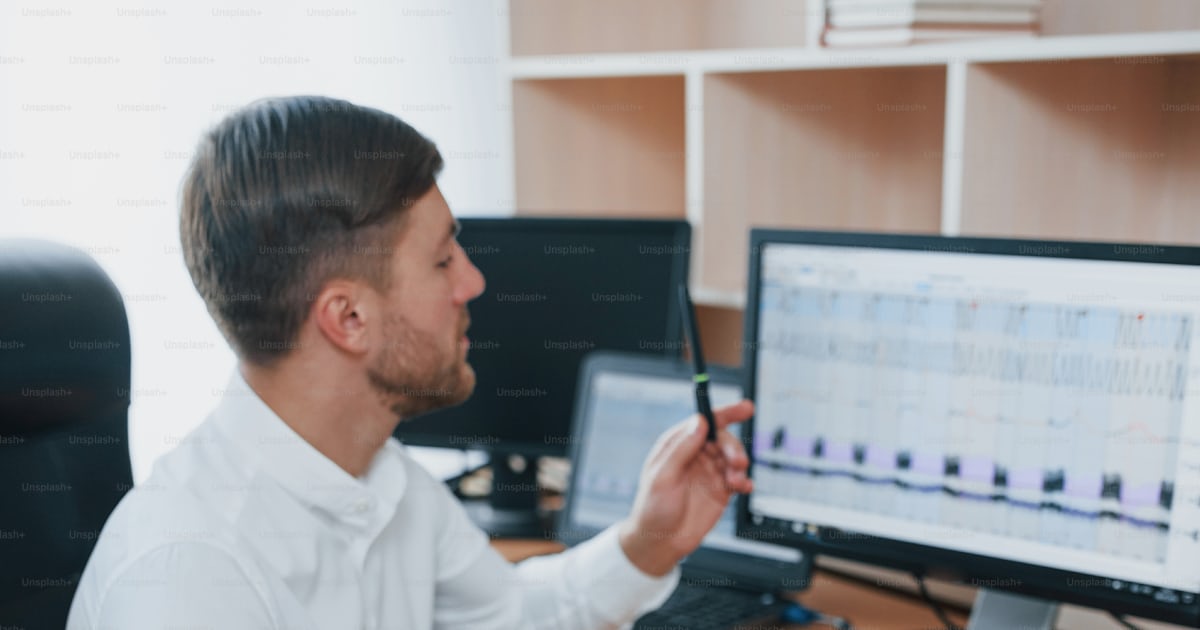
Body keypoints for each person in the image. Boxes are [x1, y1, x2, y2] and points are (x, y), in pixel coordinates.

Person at [67, 95, 755, 629]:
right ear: (349, 319)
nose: (473, 284)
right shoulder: (188, 574)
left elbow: (514, 617)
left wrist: (648, 541)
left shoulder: (382, 478)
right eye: (442, 260)